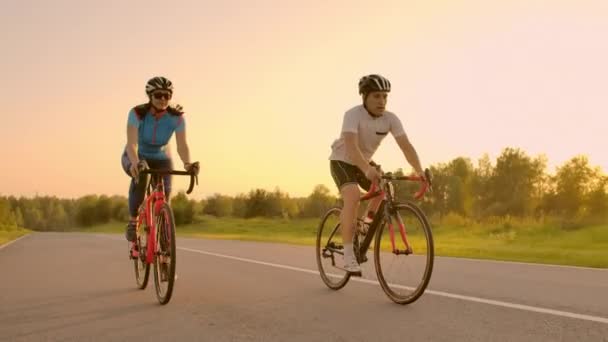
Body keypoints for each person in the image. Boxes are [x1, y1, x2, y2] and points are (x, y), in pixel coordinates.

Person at [328, 74, 426, 275]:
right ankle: (348, 256)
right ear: (364, 97)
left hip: (363, 161)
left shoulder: (390, 119)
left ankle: (364, 224)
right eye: (376, 96)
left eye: (384, 97)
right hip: (342, 160)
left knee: (385, 189)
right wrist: (367, 169)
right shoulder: (353, 115)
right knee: (353, 196)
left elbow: (406, 147)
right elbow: (351, 146)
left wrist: (420, 171)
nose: (382, 101)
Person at [121, 76, 196, 241]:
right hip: (135, 155)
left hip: (162, 158)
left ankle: (163, 233)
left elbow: (182, 145)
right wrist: (136, 163)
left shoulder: (177, 117)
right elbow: (131, 144)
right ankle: (133, 222)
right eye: (158, 95)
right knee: (141, 177)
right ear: (150, 96)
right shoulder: (137, 113)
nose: (163, 99)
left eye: (167, 95)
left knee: (165, 195)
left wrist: (188, 164)